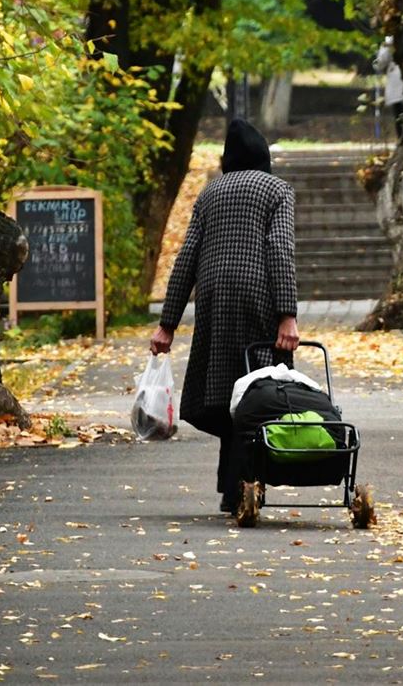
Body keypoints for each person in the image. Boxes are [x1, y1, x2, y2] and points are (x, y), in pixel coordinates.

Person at [150, 118, 300, 513]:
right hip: (258, 298)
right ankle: (245, 485)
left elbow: (186, 260)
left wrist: (168, 324)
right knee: (260, 389)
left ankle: (232, 485)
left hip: (214, 299)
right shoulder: (277, 190)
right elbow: (279, 250)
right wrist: (287, 315)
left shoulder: (210, 193)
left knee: (225, 391)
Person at [373, 35, 403, 139]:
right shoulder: (390, 38)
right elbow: (380, 63)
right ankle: (402, 140)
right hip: (398, 87)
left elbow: (380, 63)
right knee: (399, 116)